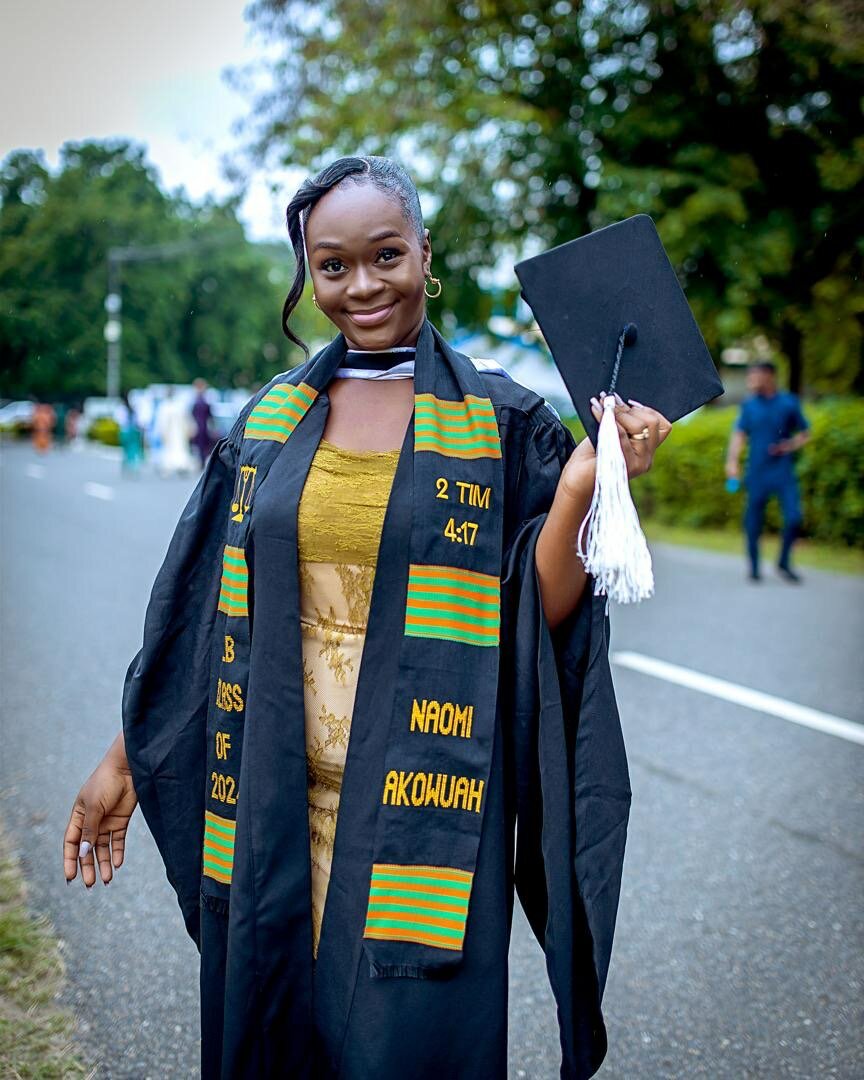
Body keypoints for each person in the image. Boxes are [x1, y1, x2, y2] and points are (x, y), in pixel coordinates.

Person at [63, 156, 670, 1079]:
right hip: (271, 799)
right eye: (332, 265)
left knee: (406, 1047)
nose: (361, 286)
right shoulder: (270, 423)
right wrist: (124, 764)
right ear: (308, 275)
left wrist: (586, 484)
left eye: (385, 255)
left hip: (422, 811)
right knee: (274, 1031)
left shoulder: (503, 423)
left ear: (426, 255)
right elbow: (203, 623)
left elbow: (532, 622)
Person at [726, 361, 810, 582]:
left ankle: (783, 561)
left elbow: (804, 433)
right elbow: (739, 434)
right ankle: (754, 567)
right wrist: (732, 461)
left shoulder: (789, 402)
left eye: (755, 376)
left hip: (783, 471)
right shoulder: (749, 405)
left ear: (769, 376)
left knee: (794, 517)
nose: (750, 380)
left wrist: (789, 445)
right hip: (757, 471)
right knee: (753, 522)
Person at [155, 386, 194, 476]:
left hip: (177, 432)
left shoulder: (170, 405)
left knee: (179, 448)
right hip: (172, 432)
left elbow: (186, 419)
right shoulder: (170, 405)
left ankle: (180, 466)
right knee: (172, 449)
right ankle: (172, 467)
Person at [191, 377, 215, 468]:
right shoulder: (197, 399)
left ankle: (202, 461)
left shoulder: (204, 399)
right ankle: (201, 461)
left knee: (204, 445)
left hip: (203, 425)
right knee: (200, 445)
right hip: (200, 425)